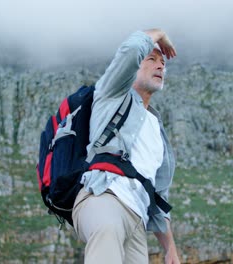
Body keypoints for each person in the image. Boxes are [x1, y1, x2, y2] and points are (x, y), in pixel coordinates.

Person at [72, 28, 179, 264]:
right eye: (151, 59)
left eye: (163, 63)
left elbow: (159, 195)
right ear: (133, 70)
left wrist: (170, 248)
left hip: (137, 220)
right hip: (102, 196)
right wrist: (158, 32)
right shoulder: (112, 94)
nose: (160, 66)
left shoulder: (157, 130)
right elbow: (131, 50)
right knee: (107, 230)